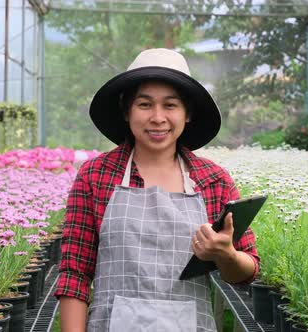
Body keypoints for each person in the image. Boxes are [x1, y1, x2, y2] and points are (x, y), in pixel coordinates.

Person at [54, 48, 260, 332]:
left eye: (171, 105)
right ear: (126, 111)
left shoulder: (213, 180)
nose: (158, 117)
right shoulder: (96, 176)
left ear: (188, 114)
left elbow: (247, 271)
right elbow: (75, 274)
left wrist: (226, 255)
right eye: (145, 105)